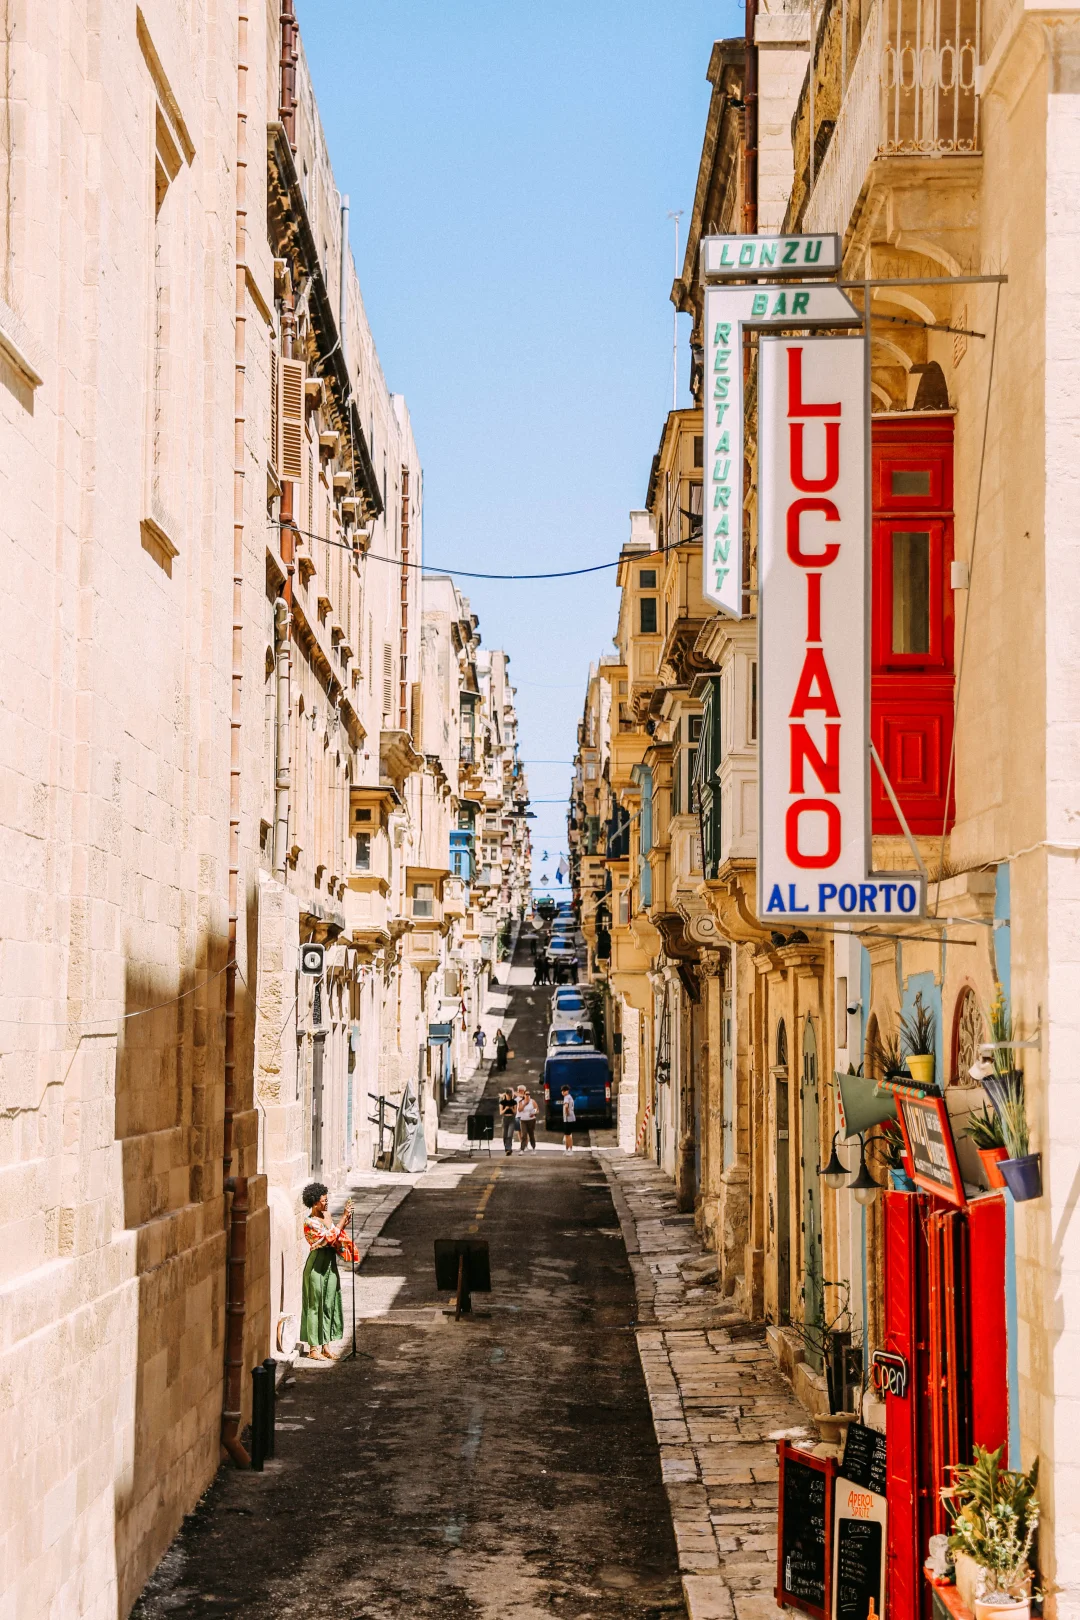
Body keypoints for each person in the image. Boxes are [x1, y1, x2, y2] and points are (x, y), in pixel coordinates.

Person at [300, 1182, 358, 1360]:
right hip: (316, 1266)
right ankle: (313, 1349)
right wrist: (342, 1220)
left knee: (329, 1303)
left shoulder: (327, 1216)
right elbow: (327, 1239)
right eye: (323, 1200)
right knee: (314, 1305)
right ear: (315, 1202)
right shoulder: (309, 1222)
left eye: (327, 1199)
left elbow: (337, 1237)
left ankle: (326, 1346)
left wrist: (345, 1220)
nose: (326, 1203)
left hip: (329, 1265)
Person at [499, 1088, 517, 1156]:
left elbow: (515, 1112)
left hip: (512, 1118)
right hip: (505, 1118)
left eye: (510, 1095)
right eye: (508, 1095)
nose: (509, 1096)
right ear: (506, 1094)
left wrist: (511, 1108)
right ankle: (506, 1148)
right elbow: (501, 1112)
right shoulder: (502, 1102)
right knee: (505, 1135)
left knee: (509, 1135)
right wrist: (506, 1108)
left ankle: (509, 1149)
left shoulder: (514, 1102)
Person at [560, 1084, 576, 1153]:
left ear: (567, 1091)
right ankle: (567, 1149)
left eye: (564, 1091)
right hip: (570, 1118)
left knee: (568, 1135)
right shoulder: (569, 1097)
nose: (563, 1092)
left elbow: (566, 1106)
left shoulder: (567, 1097)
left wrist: (567, 1113)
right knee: (567, 1135)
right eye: (562, 1091)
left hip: (568, 1119)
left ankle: (570, 1150)